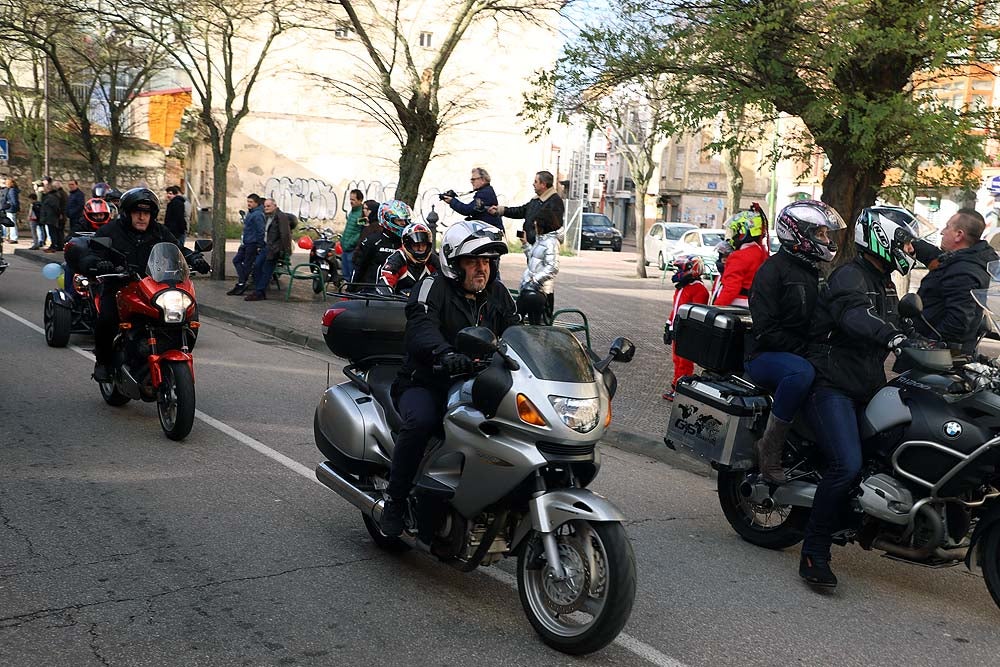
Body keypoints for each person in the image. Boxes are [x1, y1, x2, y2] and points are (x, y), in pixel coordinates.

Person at [800, 205, 921, 589]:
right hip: (831, 383)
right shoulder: (849, 276)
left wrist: (933, 342)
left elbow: (898, 321)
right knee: (846, 465)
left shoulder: (885, 281)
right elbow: (856, 316)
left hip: (866, 384)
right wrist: (893, 337)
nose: (909, 249)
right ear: (881, 239)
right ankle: (813, 551)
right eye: (904, 242)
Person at [381, 220, 519, 536]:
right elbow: (421, 328)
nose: (481, 268)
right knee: (421, 422)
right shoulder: (432, 287)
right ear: (454, 263)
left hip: (481, 383)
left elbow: (517, 328)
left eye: (486, 261)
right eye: (473, 261)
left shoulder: (498, 293)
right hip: (427, 380)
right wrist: (444, 354)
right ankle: (395, 499)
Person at [745, 200, 845, 483]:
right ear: (798, 233)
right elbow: (765, 329)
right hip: (765, 355)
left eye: (826, 234)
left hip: (801, 352)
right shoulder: (772, 271)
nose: (826, 240)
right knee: (801, 373)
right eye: (821, 234)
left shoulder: (815, 271)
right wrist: (806, 350)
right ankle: (770, 447)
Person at [70, 188, 209, 382]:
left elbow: (178, 248)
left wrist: (194, 257)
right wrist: (97, 263)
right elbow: (93, 252)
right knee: (106, 320)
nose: (143, 217)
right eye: (138, 212)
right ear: (127, 213)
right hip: (119, 286)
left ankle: (172, 350)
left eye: (147, 213)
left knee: (187, 314)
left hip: (152, 287)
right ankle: (103, 361)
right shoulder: (110, 231)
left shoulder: (159, 231)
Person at [910, 208, 998, 354]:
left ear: (959, 235)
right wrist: (912, 244)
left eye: (947, 227)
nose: (942, 232)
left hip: (938, 359)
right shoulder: (967, 259)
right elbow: (939, 258)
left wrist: (926, 347)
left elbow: (958, 321)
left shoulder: (964, 271)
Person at [661, 255, 710, 401]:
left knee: (685, 362)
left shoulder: (699, 289)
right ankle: (676, 386)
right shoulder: (683, 288)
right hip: (677, 328)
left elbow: (697, 313)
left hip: (687, 331)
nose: (677, 273)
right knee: (677, 360)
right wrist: (669, 325)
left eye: (680, 269)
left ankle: (682, 390)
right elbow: (675, 309)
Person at [714, 205, 769, 307]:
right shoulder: (763, 253)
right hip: (757, 305)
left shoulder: (739, 257)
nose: (735, 237)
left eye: (738, 232)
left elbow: (731, 288)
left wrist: (716, 307)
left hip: (738, 305)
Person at [490, 170, 564, 244]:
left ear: (543, 184)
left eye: (536, 181)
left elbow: (552, 228)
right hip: (533, 246)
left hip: (544, 246)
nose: (533, 184)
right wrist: (501, 210)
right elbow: (521, 211)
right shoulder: (536, 200)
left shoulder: (555, 202)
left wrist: (532, 236)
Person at [352, 199, 408, 289]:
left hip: (399, 295)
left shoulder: (407, 243)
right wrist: (351, 290)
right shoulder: (373, 241)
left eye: (405, 220)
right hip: (373, 294)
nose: (403, 223)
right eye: (399, 220)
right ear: (387, 219)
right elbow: (359, 267)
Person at [519, 207, 561, 324]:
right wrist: (525, 244)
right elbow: (533, 258)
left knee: (532, 321)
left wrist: (535, 280)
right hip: (530, 288)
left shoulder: (551, 242)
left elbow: (553, 267)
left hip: (541, 291)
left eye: (536, 224)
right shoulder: (540, 240)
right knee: (517, 316)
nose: (535, 226)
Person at [244, 198, 292, 301]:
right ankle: (259, 290)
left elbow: (285, 234)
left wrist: (284, 250)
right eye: (265, 206)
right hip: (266, 246)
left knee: (266, 269)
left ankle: (259, 292)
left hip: (274, 248)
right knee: (257, 266)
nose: (266, 208)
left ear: (275, 206)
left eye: (268, 206)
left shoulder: (280, 216)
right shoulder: (267, 216)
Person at [376, 221, 440, 295]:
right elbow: (385, 286)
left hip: (426, 304)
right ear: (407, 245)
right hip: (399, 304)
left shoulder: (433, 260)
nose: (421, 249)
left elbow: (445, 283)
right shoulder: (397, 259)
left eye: (423, 245)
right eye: (416, 245)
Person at [228, 193, 266, 296]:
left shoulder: (258, 214)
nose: (248, 204)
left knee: (247, 264)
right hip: (246, 242)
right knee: (236, 260)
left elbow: (260, 231)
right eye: (248, 201)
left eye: (251, 202)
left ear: (256, 203)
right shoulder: (251, 212)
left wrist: (259, 245)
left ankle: (241, 284)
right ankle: (242, 282)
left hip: (252, 243)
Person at [340, 189, 365, 282]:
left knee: (351, 273)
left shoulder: (361, 214)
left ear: (360, 200)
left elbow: (361, 231)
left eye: (353, 200)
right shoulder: (352, 212)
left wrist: (351, 242)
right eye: (350, 199)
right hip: (345, 247)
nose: (351, 202)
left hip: (352, 248)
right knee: (345, 272)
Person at [41, 179, 66, 253]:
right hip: (50, 216)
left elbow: (55, 207)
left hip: (51, 217)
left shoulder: (52, 197)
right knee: (53, 232)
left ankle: (54, 246)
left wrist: (59, 214)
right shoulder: (52, 196)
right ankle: (56, 245)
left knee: (53, 232)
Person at [1, 177, 19, 243]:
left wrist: (10, 205)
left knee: (12, 223)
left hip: (11, 209)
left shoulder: (12, 191)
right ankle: (10, 237)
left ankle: (14, 238)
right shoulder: (10, 190)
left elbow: (14, 201)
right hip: (9, 208)